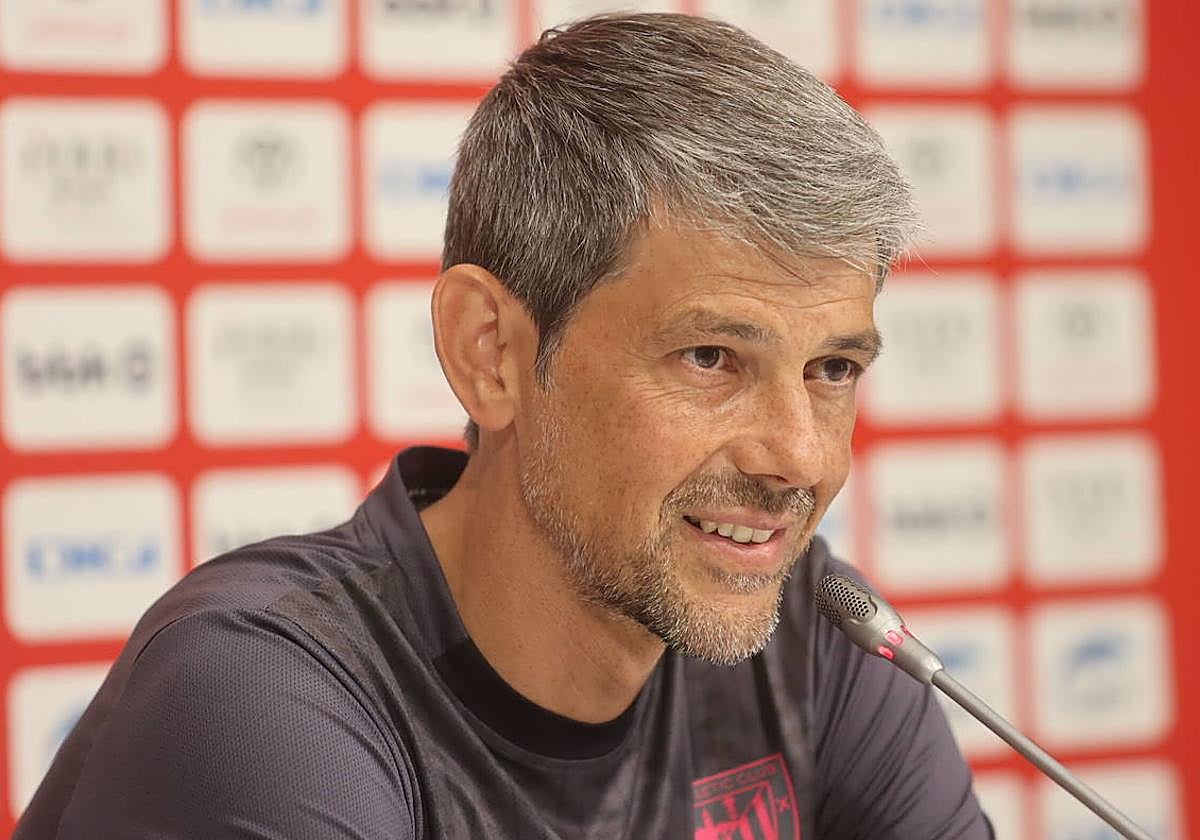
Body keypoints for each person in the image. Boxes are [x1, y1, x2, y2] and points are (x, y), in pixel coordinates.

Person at [15, 13, 993, 839]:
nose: (799, 456)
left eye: (833, 370)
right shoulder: (259, 693)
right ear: (491, 353)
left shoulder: (820, 645)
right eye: (711, 359)